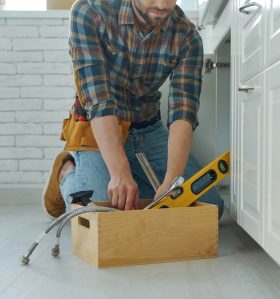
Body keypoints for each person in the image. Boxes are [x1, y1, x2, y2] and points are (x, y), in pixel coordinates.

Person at [42, 0, 224, 218]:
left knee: (210, 208)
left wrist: (173, 181)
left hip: (149, 128)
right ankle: (67, 171)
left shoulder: (187, 36)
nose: (161, 4)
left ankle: (128, 180)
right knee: (102, 213)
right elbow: (99, 102)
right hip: (98, 127)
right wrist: (119, 173)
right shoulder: (89, 12)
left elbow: (183, 112)